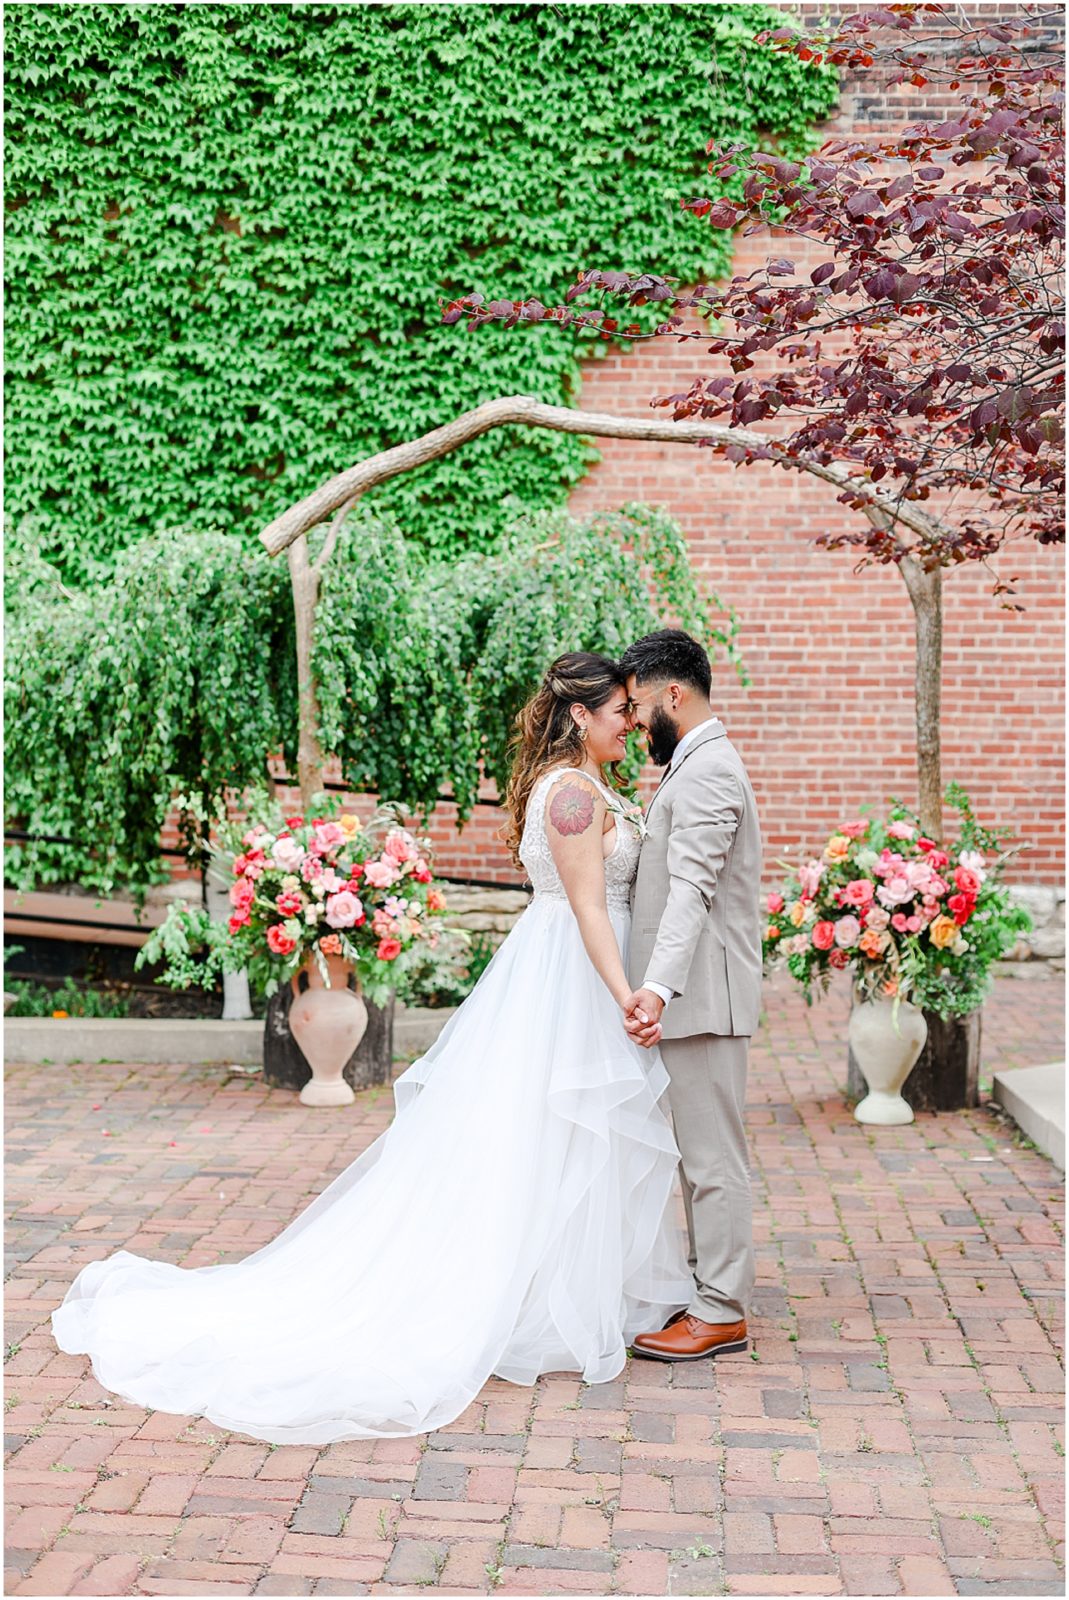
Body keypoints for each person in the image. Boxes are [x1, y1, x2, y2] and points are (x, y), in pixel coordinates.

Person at [51, 652, 692, 1445]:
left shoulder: (591, 788)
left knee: (559, 1141)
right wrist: (624, 992)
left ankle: (563, 1290)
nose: (631, 723)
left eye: (633, 710)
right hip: (576, 978)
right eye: (619, 711)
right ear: (577, 717)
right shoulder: (568, 795)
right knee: (543, 1137)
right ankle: (529, 1301)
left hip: (577, 973)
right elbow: (590, 907)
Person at [618, 629, 762, 1362]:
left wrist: (655, 986)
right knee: (697, 1157)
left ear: (672, 693)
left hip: (702, 995)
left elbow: (691, 892)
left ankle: (720, 1310)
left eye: (640, 705)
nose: (637, 722)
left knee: (712, 1161)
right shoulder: (694, 764)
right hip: (694, 995)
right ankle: (708, 1292)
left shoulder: (707, 771)